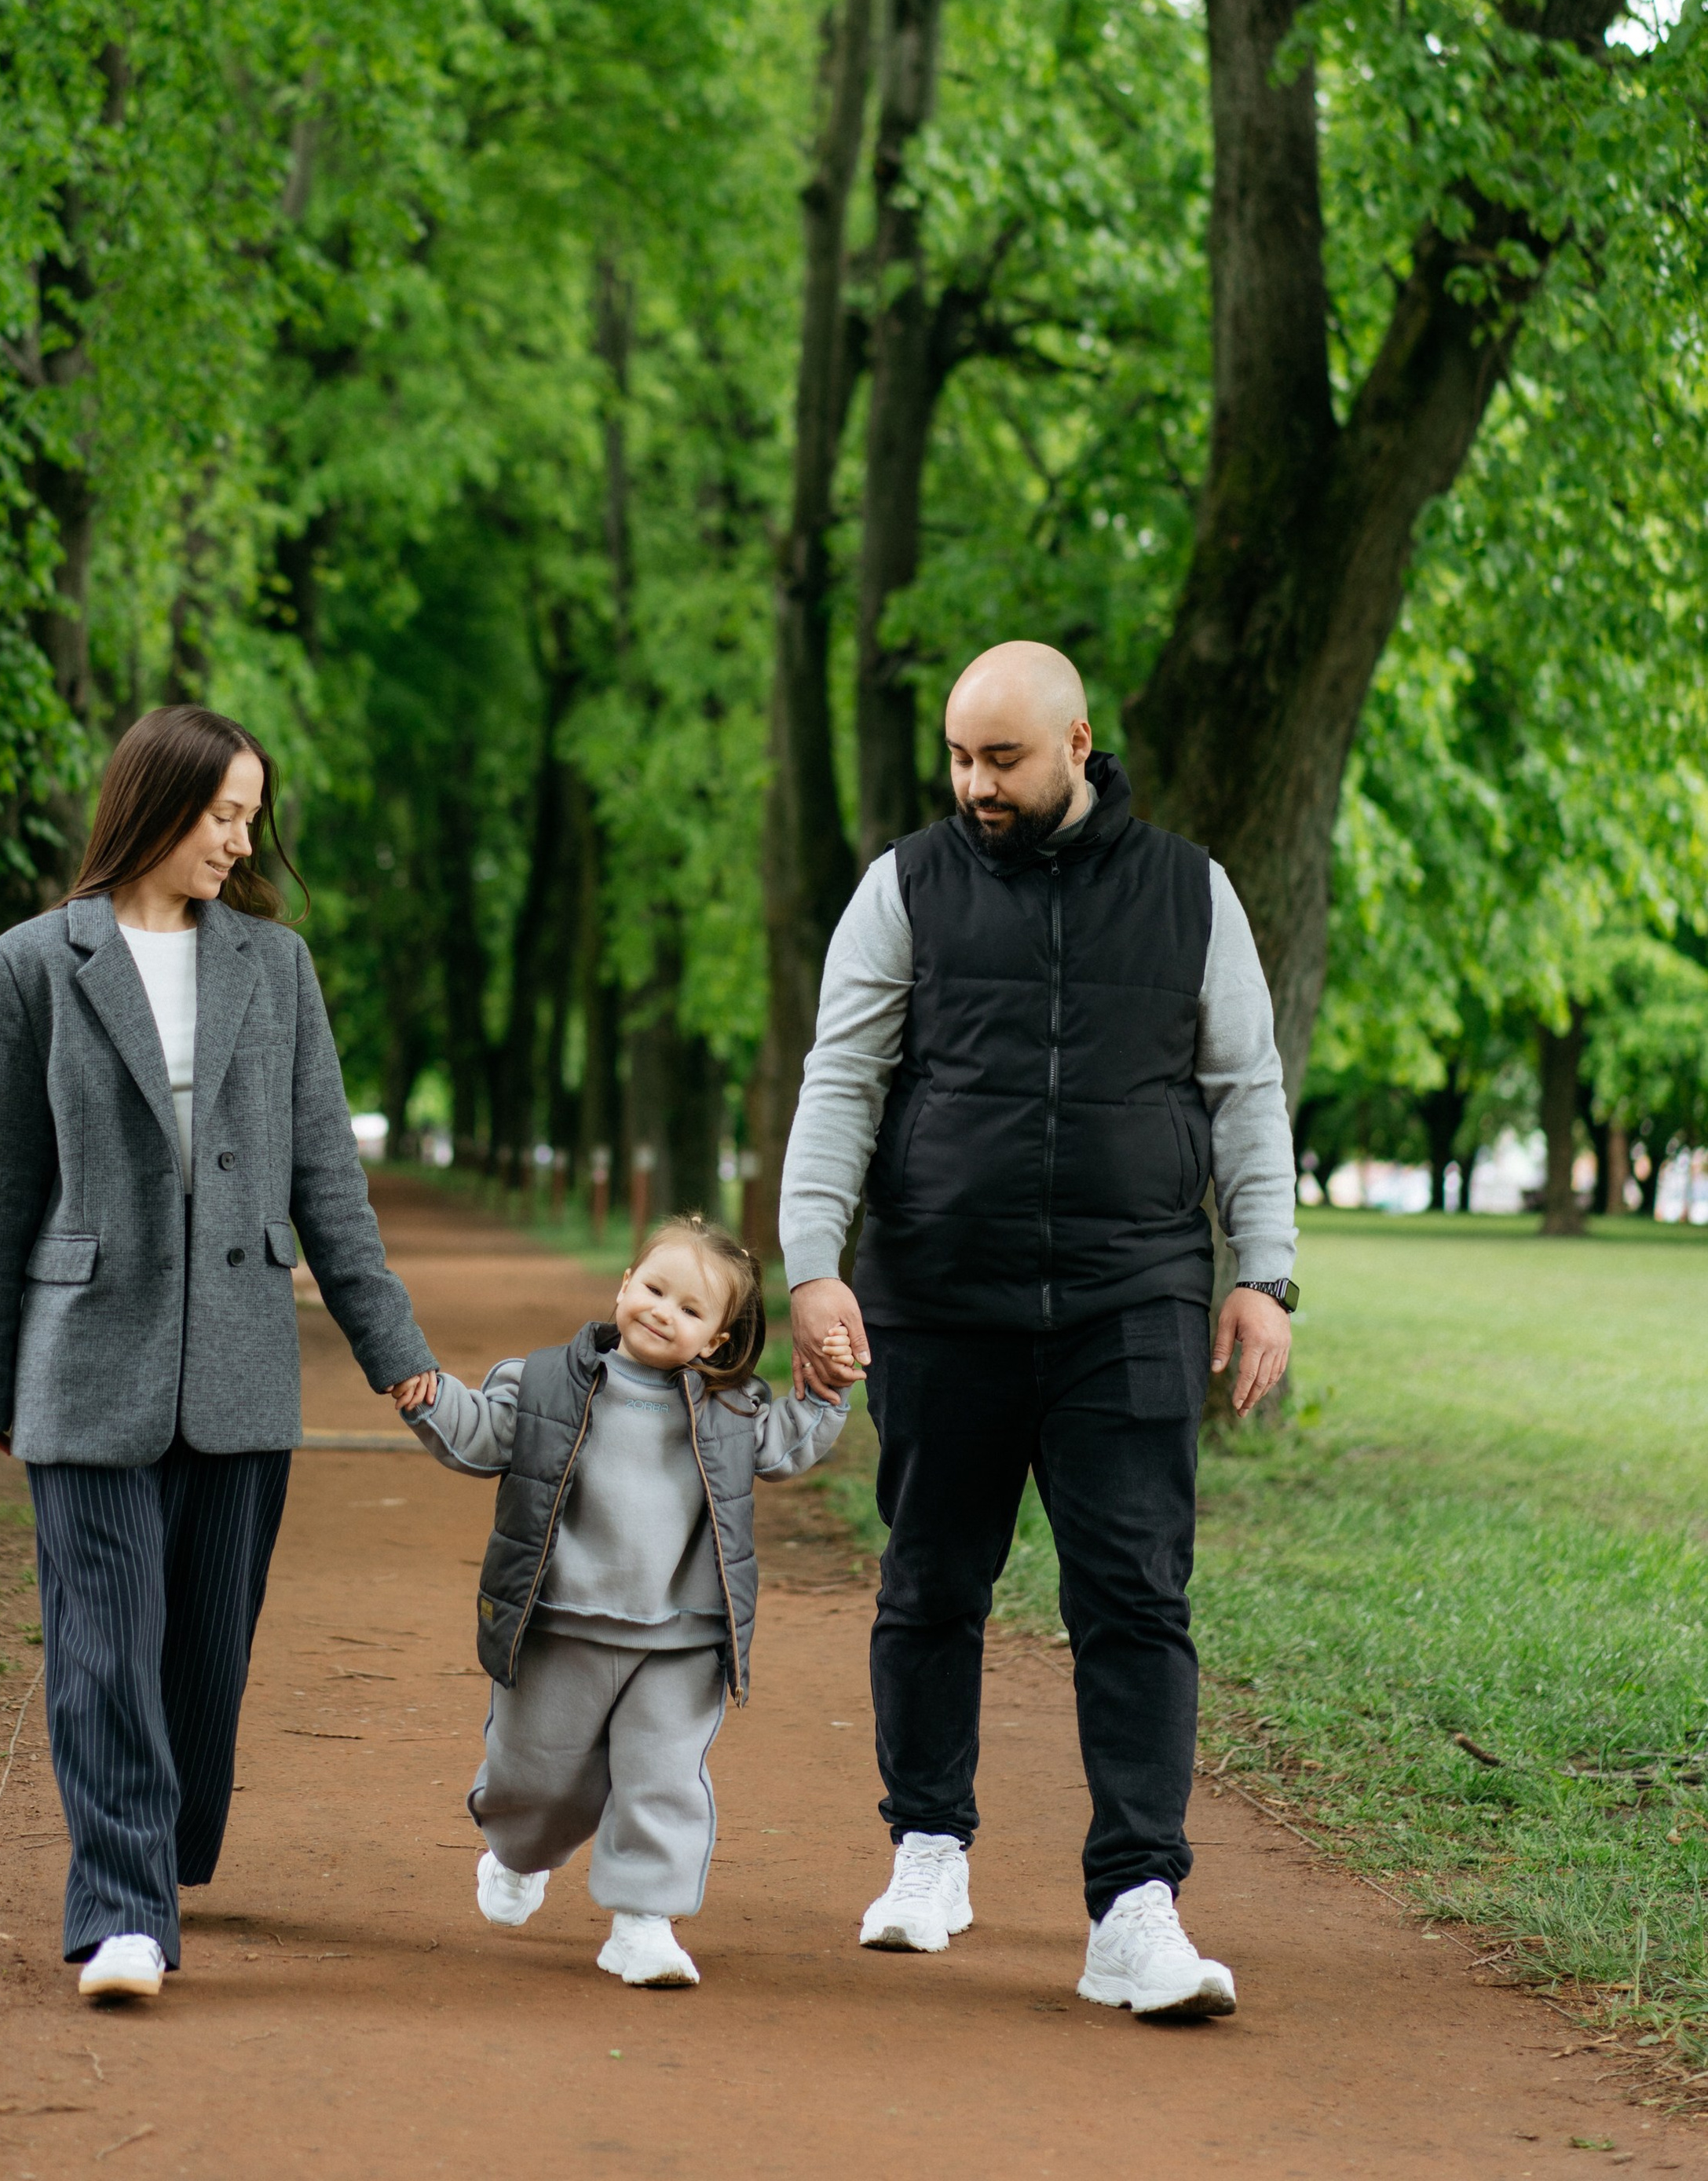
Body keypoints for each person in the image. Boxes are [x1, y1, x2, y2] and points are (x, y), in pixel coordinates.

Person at [781, 640, 1298, 2018]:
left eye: (1000, 758)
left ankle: (1136, 1906)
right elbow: (844, 1078)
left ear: (1078, 744)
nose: (974, 785)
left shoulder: (1192, 891)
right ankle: (928, 1849)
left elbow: (1246, 1087)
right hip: (941, 1295)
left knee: (1134, 1592)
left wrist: (1267, 1274)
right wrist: (810, 1265)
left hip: (1131, 1300)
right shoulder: (906, 884)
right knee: (934, 1580)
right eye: (958, 757)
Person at [0, 705, 436, 2005]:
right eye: (223, 812)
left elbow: (329, 1178)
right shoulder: (29, 967)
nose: (241, 837)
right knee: (102, 1644)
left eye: (248, 816)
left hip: (238, 1369)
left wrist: (398, 1353)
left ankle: (165, 1849)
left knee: (203, 1657)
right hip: (80, 1361)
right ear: (155, 804)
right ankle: (120, 1909)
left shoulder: (276, 967)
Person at [394, 1214, 854, 1986]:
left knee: (662, 1779)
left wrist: (829, 1390)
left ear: (715, 1340)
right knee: (537, 1782)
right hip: (559, 1627)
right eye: (653, 1288)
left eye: (689, 1309)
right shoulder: (543, 1383)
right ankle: (517, 1853)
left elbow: (786, 1443)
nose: (661, 1310)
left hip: (679, 1639)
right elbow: (477, 1435)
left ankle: (643, 1923)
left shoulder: (731, 1409)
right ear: (623, 1286)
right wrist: (430, 1396)